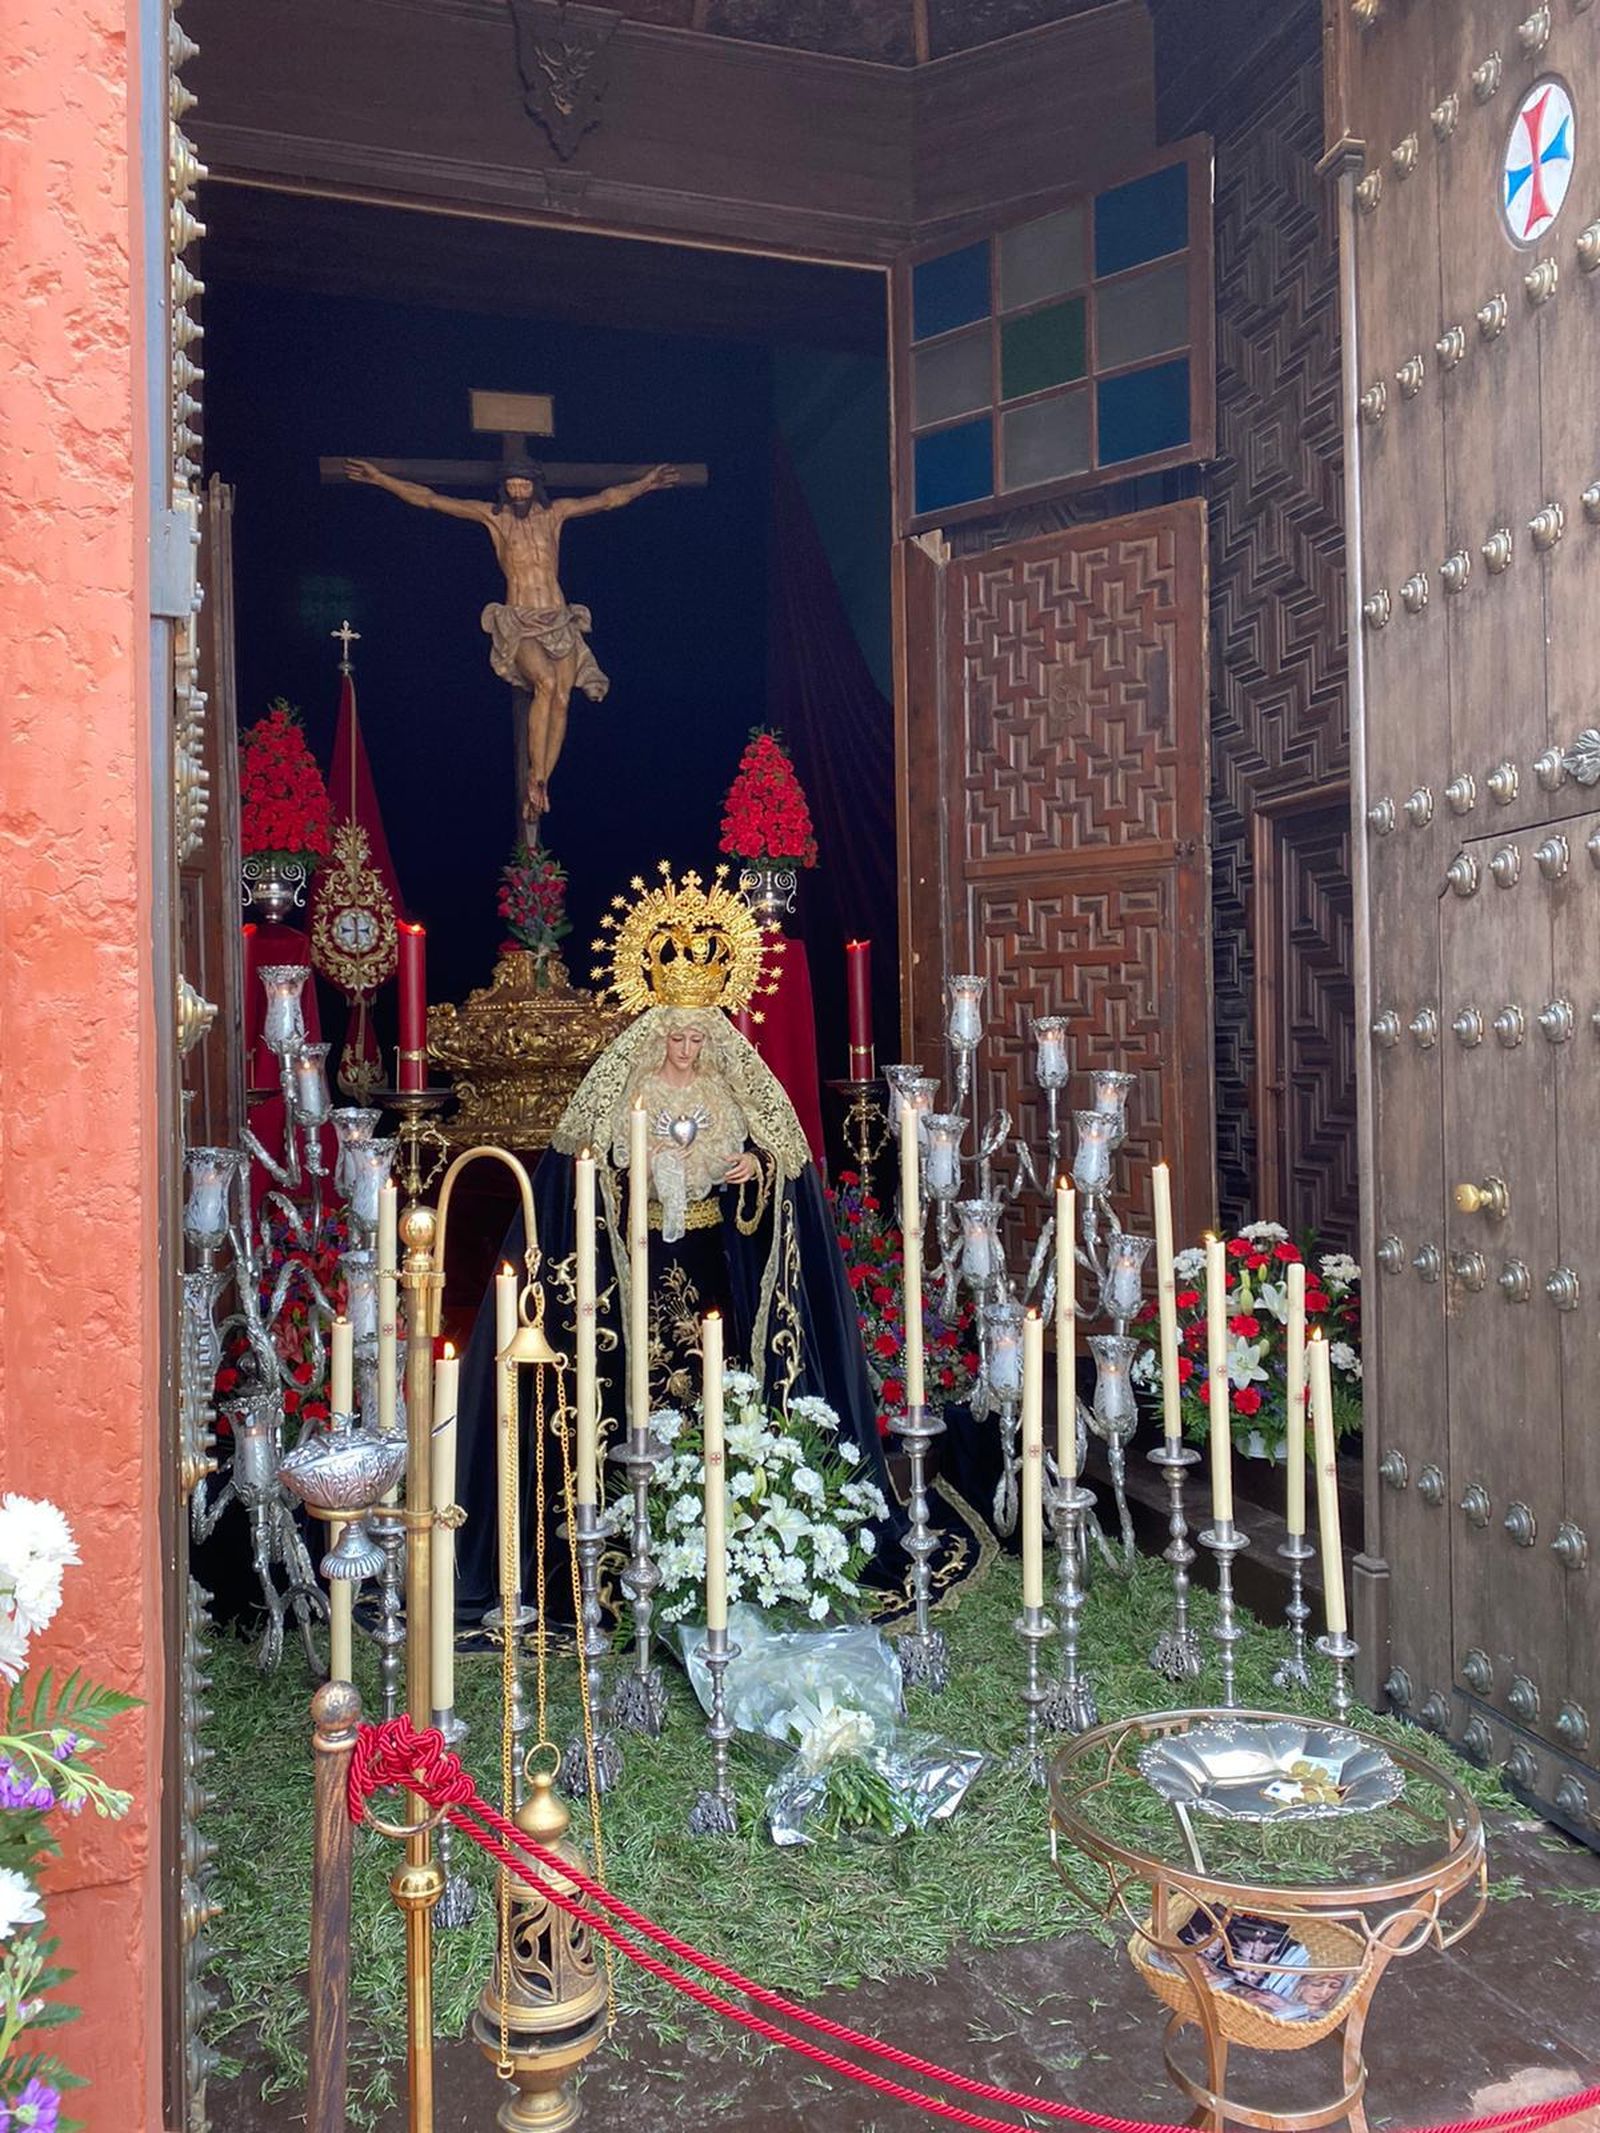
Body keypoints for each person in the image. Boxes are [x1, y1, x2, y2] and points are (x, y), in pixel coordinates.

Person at [451, 869, 898, 1619]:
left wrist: (752, 1170)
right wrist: (631, 1178)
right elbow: (581, 1176)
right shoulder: (628, 1089)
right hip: (642, 1267)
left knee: (719, 1384)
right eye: (677, 1035)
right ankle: (635, 1524)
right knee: (640, 1385)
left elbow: (777, 1163)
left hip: (714, 1262)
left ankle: (727, 1515)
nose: (688, 1048)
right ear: (657, 1030)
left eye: (699, 1035)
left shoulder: (730, 1083)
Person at [344, 456, 679, 821]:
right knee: (547, 684)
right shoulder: (495, 518)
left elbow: (607, 498)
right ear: (504, 487)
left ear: (536, 485)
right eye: (512, 485)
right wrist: (380, 479)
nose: (518, 490)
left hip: (558, 618)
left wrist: (646, 483)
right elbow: (430, 499)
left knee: (564, 699)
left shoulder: (555, 515)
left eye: (524, 483)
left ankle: (541, 781)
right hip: (520, 620)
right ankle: (536, 776)